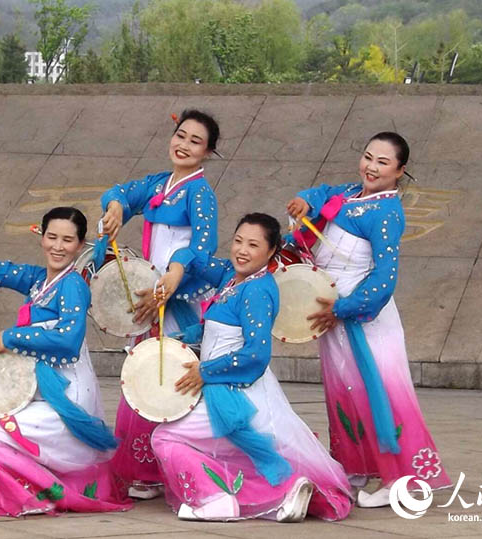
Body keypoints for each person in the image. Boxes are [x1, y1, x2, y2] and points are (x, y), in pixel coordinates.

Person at [151, 213, 353, 522]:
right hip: (223, 389)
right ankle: (287, 490)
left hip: (236, 395)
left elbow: (256, 354)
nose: (242, 251)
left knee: (165, 438)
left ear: (272, 251)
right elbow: (192, 255)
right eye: (238, 241)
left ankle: (218, 498)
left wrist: (205, 371)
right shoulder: (230, 277)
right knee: (228, 451)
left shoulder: (257, 290)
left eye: (253, 245)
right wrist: (175, 272)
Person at [286, 131, 451, 508]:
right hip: (333, 315)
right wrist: (304, 200)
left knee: (383, 394)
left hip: (361, 317)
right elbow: (322, 193)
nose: (371, 167)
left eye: (383, 162)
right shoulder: (348, 193)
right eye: (368, 157)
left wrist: (343, 309)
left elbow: (384, 276)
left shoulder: (387, 212)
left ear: (400, 170)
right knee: (345, 393)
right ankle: (356, 466)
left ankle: (399, 478)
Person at [0, 207, 131, 516]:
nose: (58, 246)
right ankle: (36, 491)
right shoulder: (40, 281)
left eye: (67, 240)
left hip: (66, 397)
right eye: (52, 237)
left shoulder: (73, 285)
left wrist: (9, 338)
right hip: (43, 392)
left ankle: (40, 496)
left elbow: (68, 341)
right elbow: (6, 271)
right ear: (41, 237)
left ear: (80, 245)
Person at [99, 109, 220, 498]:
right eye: (180, 135)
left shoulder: (200, 193)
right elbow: (120, 192)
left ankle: (165, 466)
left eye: (195, 141)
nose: (183, 145)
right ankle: (144, 469)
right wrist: (115, 208)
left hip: (177, 293)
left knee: (168, 375)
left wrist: (172, 277)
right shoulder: (157, 183)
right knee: (144, 373)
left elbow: (203, 246)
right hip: (150, 293)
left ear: (208, 152)